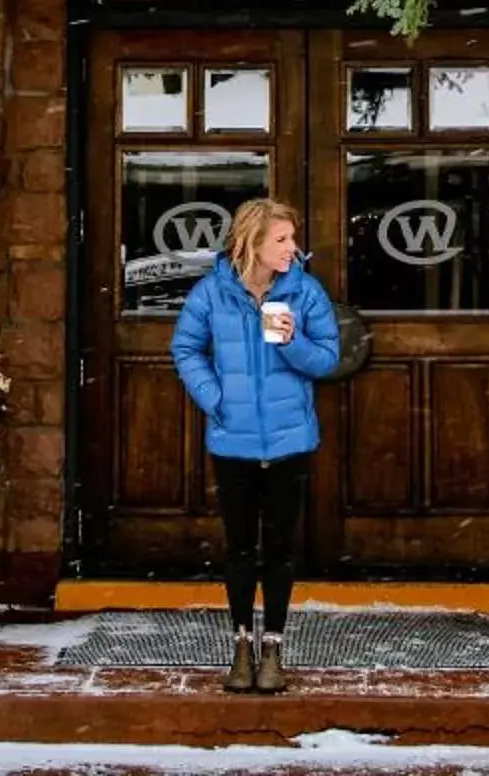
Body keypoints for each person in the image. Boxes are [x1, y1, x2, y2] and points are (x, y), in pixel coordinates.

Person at [170, 197, 338, 695]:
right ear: (253, 243)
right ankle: (240, 645)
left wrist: (292, 344)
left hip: (291, 441)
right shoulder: (212, 293)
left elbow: (327, 359)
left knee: (280, 549)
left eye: (292, 238)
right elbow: (186, 348)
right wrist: (216, 399)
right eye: (281, 240)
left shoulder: (305, 293)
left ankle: (274, 648)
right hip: (233, 440)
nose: (292, 249)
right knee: (241, 547)